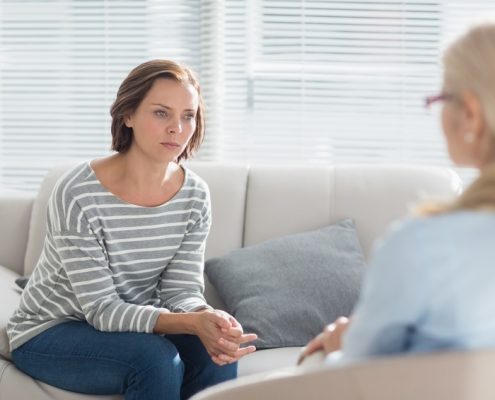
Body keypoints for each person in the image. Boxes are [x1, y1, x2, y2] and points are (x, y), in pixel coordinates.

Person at [7, 59, 257, 399]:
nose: (177, 128)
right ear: (128, 115)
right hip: (51, 330)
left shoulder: (195, 195)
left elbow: (180, 289)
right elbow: (102, 309)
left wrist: (207, 318)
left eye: (188, 115)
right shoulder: (79, 192)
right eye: (161, 113)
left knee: (217, 351)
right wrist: (189, 324)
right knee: (154, 360)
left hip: (131, 327)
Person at [302, 21, 495, 364]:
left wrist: (338, 346)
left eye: (442, 98)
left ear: (471, 115)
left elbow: (359, 376)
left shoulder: (424, 244)